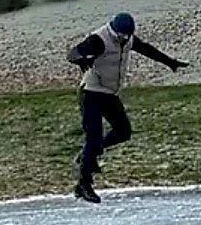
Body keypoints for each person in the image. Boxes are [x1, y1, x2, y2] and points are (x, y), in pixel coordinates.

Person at [67, 12, 188, 203]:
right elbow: (73, 53)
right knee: (94, 137)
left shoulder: (128, 39)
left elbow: (147, 49)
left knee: (123, 131)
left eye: (127, 36)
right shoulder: (99, 39)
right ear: (114, 30)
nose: (124, 39)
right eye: (121, 36)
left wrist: (170, 62)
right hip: (90, 92)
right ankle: (83, 185)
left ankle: (87, 155)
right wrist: (82, 60)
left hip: (109, 93)